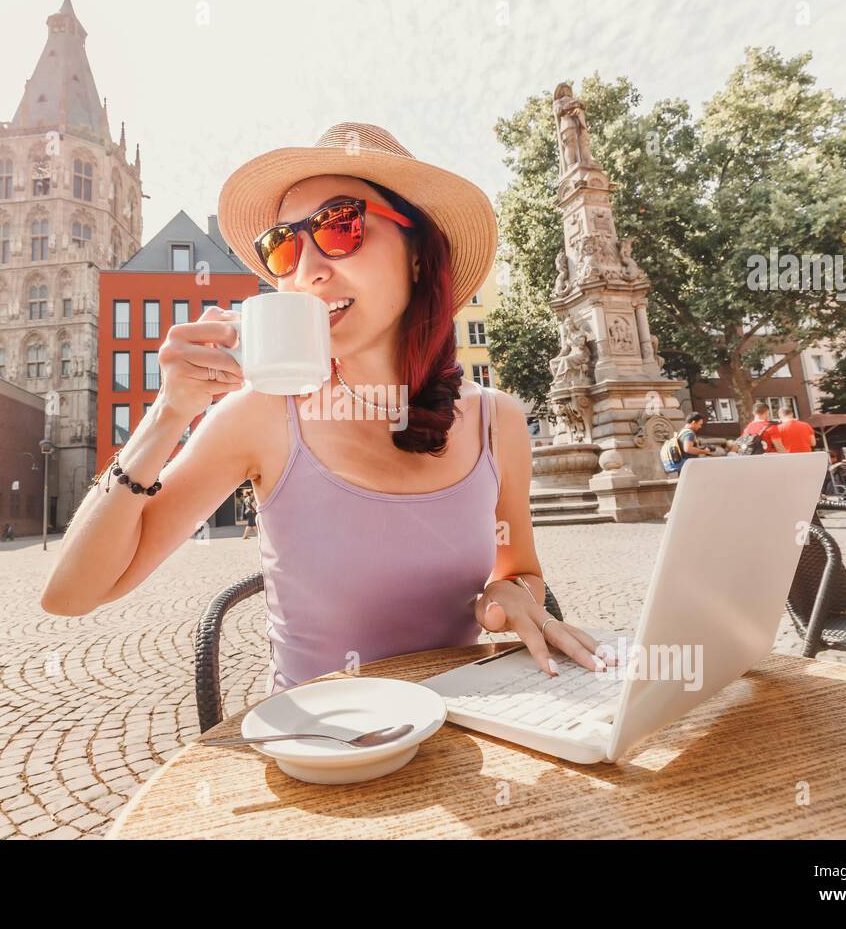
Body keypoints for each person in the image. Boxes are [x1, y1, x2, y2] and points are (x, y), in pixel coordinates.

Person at [40, 121, 620, 687]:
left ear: (418, 256)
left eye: (342, 228)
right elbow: (72, 594)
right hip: (319, 759)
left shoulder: (498, 420)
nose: (310, 270)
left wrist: (506, 598)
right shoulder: (261, 416)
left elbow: (519, 570)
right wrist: (168, 413)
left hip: (466, 740)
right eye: (284, 247)